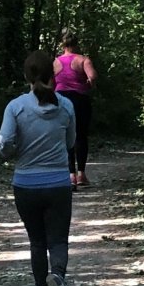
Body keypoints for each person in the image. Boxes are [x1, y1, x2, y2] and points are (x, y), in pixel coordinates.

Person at [0, 50, 76, 286]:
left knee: (37, 242)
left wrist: (16, 151)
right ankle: (58, 276)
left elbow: (5, 144)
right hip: (58, 183)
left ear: (26, 76)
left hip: (26, 184)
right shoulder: (66, 105)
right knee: (58, 240)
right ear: (52, 75)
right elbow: (70, 143)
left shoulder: (16, 107)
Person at [53, 28, 97, 190]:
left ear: (62, 44)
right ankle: (81, 174)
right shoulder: (83, 60)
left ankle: (70, 175)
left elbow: (49, 83)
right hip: (79, 100)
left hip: (61, 100)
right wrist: (89, 84)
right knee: (81, 135)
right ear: (76, 43)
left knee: (66, 135)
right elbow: (92, 76)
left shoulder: (55, 62)